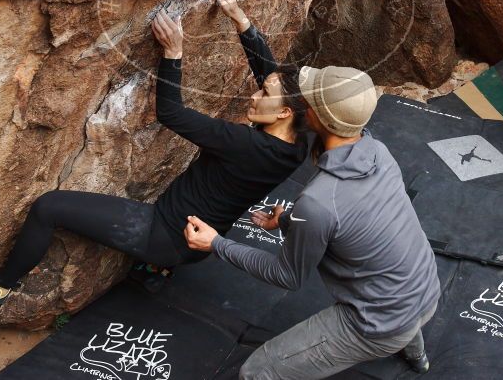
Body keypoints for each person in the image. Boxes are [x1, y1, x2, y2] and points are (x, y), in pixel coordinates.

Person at [0, 0, 309, 321]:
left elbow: (171, 113)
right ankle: (155, 270)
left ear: (283, 113)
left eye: (263, 94)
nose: (254, 94)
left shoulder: (244, 143)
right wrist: (239, 18)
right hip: (198, 242)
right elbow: (272, 78)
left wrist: (173, 53)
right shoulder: (297, 144)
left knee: (48, 207)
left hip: (163, 234)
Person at [185, 66, 441, 379]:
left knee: (255, 371)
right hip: (425, 288)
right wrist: (288, 220)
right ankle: (419, 360)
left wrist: (216, 243)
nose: (303, 103)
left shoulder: (318, 202)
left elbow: (286, 275)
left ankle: (400, 344)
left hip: (378, 323)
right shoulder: (378, 152)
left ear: (319, 118)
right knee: (406, 320)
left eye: (309, 101)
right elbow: (349, 215)